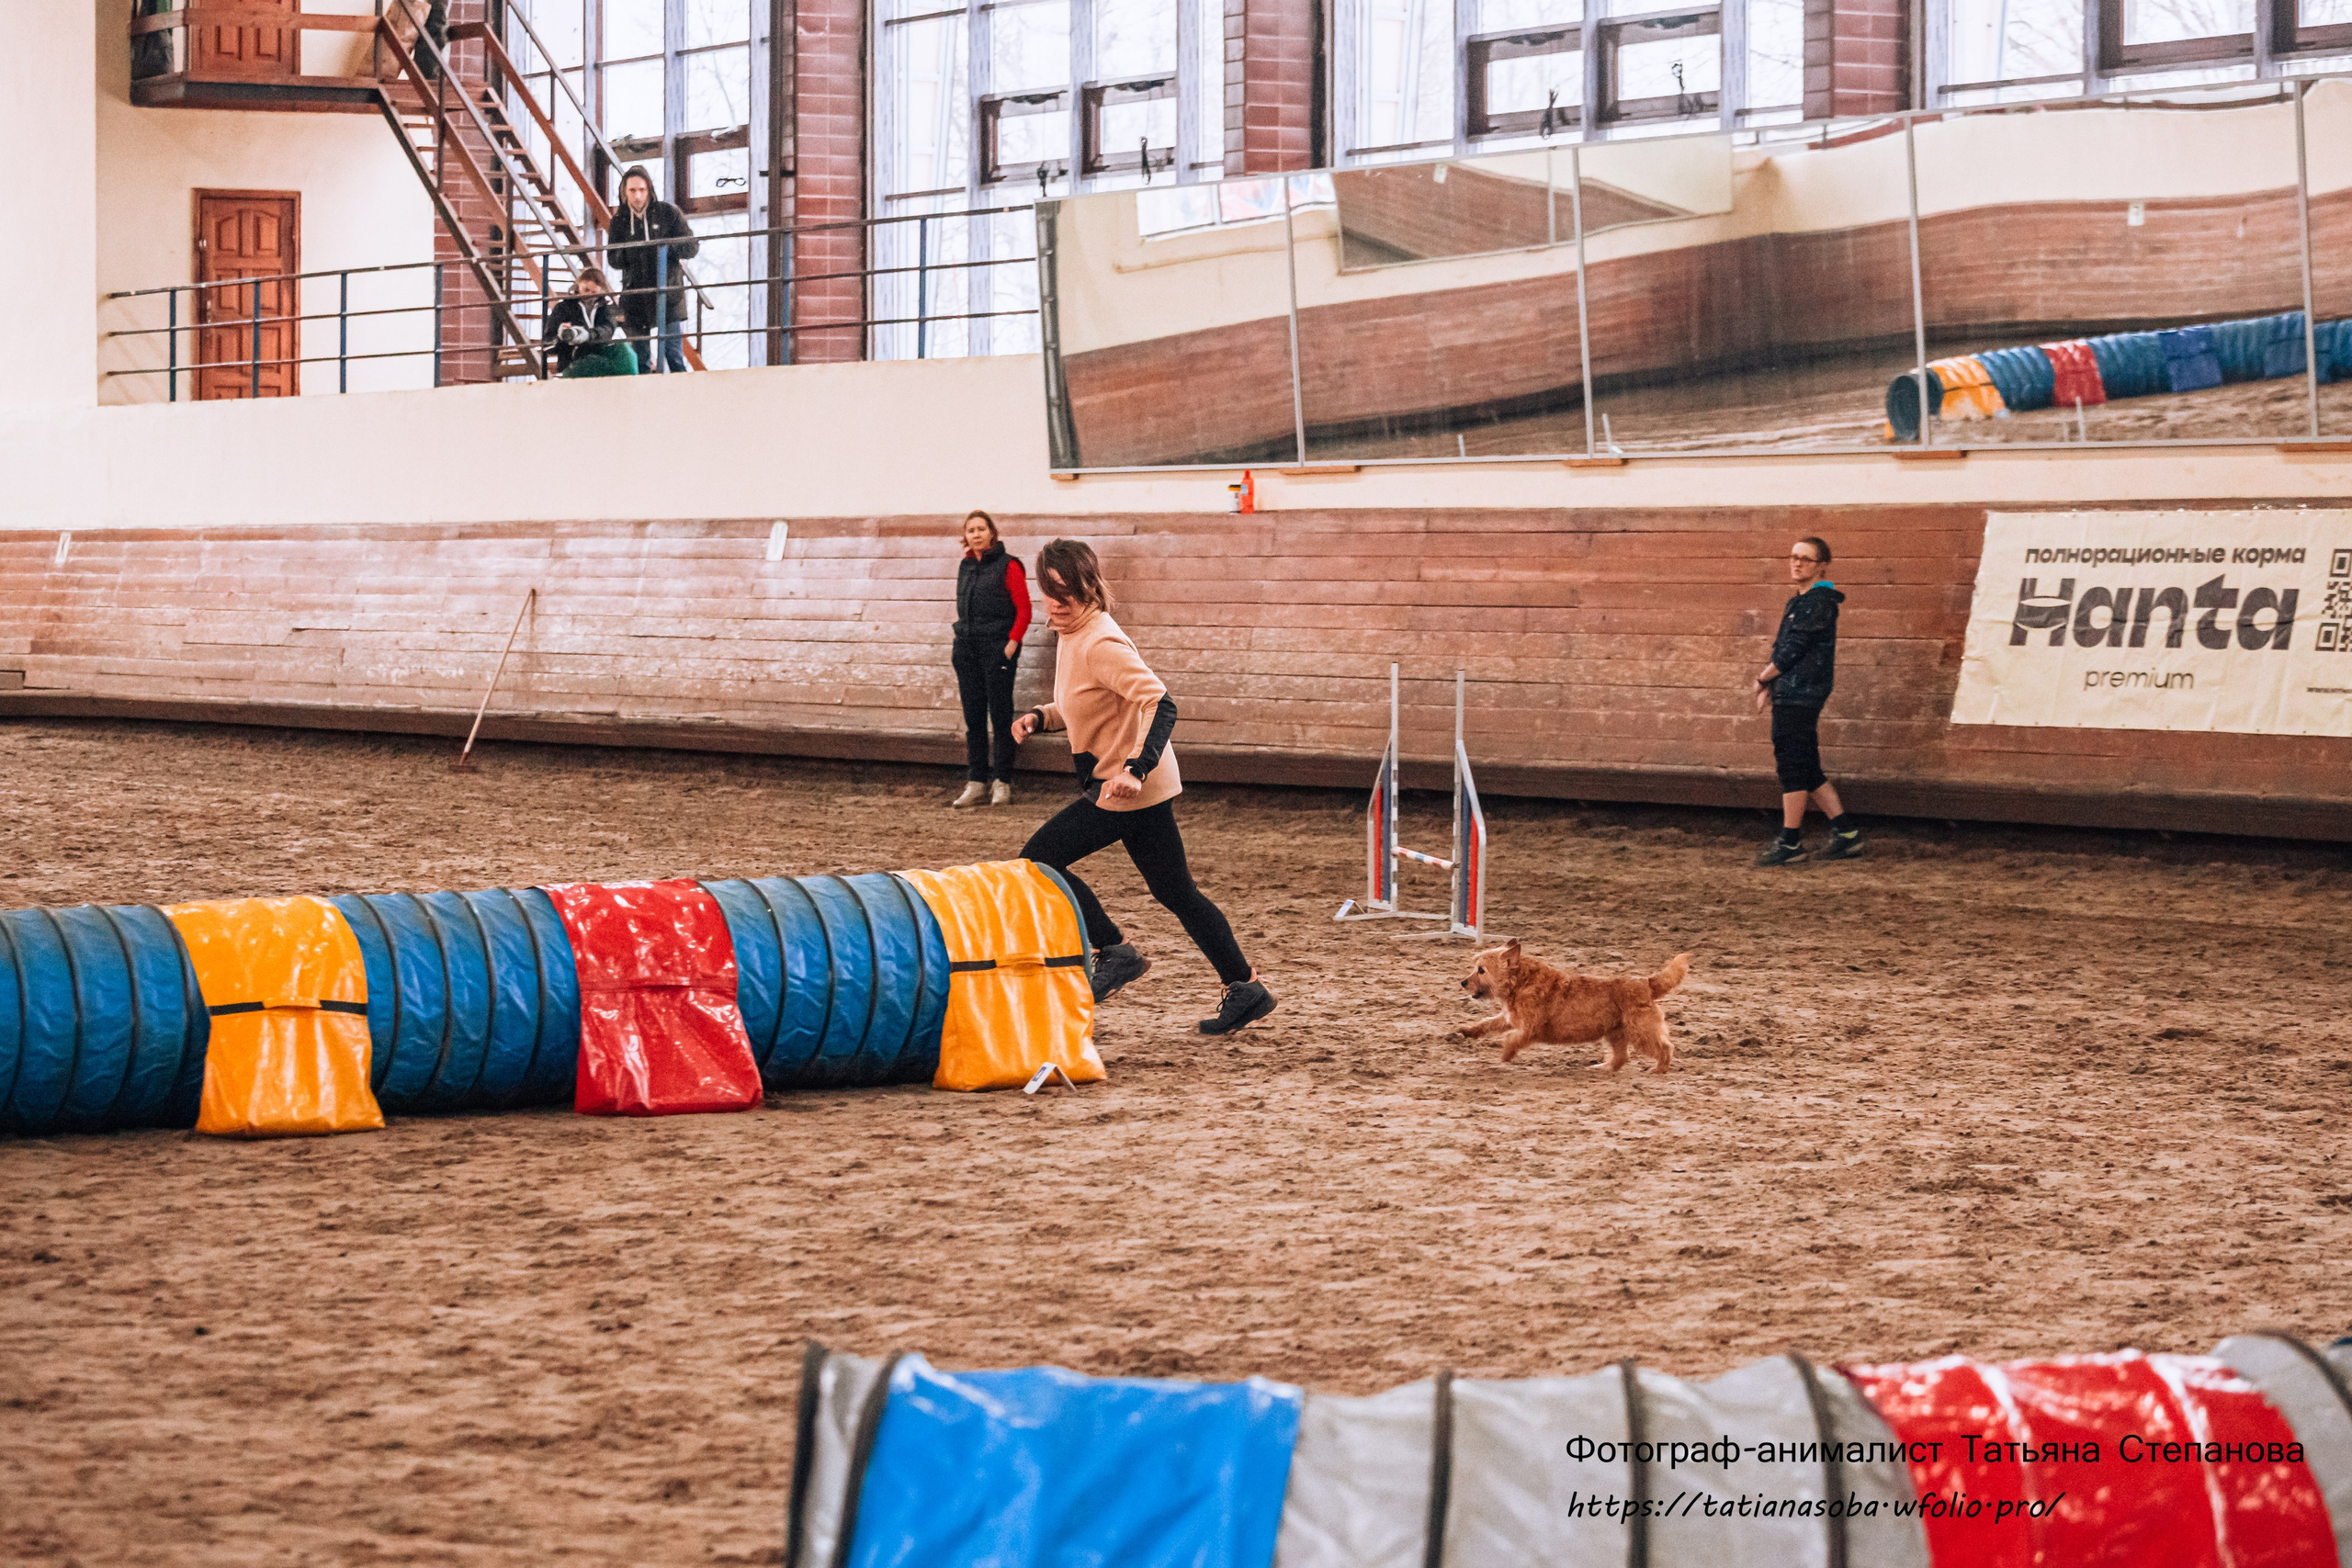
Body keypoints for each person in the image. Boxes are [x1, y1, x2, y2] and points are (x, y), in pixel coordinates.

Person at [1009, 540, 1277, 1036]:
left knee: (1039, 861)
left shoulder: (1099, 641)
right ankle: (1245, 986)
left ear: (1088, 586)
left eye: (1066, 593)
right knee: (1176, 891)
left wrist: (1135, 768)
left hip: (1128, 787)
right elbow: (1086, 702)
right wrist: (1039, 717)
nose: (1056, 602)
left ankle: (1116, 951)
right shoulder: (1071, 633)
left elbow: (1161, 703)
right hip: (1126, 785)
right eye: (1050, 592)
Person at [1751, 536, 1862, 865]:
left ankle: (1790, 842)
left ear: (1822, 566)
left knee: (1792, 765)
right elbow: (1784, 648)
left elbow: (1793, 648)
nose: (1796, 562)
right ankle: (1846, 835)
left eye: (1805, 559)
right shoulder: (1800, 601)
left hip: (1802, 693)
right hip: (1793, 691)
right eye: (1794, 556)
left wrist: (1764, 678)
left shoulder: (1818, 602)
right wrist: (1773, 684)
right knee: (1807, 766)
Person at [948, 511, 1030, 809]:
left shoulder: (1009, 566)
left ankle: (1002, 782)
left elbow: (1024, 610)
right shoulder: (965, 566)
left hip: (997, 650)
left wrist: (1009, 647)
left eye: (981, 529)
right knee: (973, 719)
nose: (976, 534)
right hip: (967, 650)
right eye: (971, 530)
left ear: (992, 533)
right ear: (966, 536)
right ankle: (976, 782)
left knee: (1000, 716)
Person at [605, 166, 699, 375]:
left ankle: (683, 399)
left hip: (668, 293)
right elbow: (613, 259)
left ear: (649, 190)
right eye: (632, 191)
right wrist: (634, 252)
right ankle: (644, 403)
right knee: (641, 359)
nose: (637, 196)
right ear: (624, 192)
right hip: (636, 296)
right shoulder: (619, 221)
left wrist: (663, 247)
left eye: (642, 190)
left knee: (673, 355)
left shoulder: (669, 213)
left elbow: (691, 246)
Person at [541, 268, 637, 378]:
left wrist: (587, 335)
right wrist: (562, 337)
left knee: (624, 350)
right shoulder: (563, 308)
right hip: (574, 359)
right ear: (579, 284)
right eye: (586, 290)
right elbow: (548, 344)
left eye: (594, 293)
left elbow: (608, 329)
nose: (589, 295)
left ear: (600, 291)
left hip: (598, 355)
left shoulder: (606, 308)